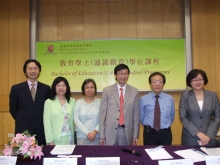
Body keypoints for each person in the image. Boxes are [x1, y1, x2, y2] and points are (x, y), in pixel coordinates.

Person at [9, 59, 51, 145]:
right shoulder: (16, 88)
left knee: (41, 153)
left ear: (39, 71)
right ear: (25, 71)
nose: (33, 71)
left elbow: (48, 108)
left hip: (41, 128)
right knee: (23, 154)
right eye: (30, 68)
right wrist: (22, 119)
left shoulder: (46, 88)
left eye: (35, 68)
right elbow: (13, 109)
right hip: (23, 127)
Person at [99, 64, 140, 146]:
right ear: (115, 75)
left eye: (125, 73)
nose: (123, 76)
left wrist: (135, 135)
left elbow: (136, 116)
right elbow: (102, 114)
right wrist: (102, 135)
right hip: (109, 131)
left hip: (126, 132)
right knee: (110, 156)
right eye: (120, 73)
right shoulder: (107, 91)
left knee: (125, 156)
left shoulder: (134, 91)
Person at [179, 69, 220, 146]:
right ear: (190, 82)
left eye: (200, 79)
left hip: (209, 137)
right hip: (190, 137)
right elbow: (183, 117)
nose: (198, 82)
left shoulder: (213, 95)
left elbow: (217, 117)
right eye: (194, 80)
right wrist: (198, 133)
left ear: (204, 80)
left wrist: (208, 136)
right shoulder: (185, 96)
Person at [140, 72, 175, 145]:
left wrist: (164, 126)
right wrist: (149, 128)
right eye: (154, 81)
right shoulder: (144, 99)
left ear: (163, 84)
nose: (157, 84)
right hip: (149, 133)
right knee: (149, 154)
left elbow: (171, 116)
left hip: (165, 133)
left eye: (160, 81)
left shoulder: (169, 99)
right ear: (150, 84)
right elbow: (141, 117)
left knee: (166, 154)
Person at [43, 76, 75, 145]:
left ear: (67, 87)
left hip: (69, 137)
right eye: (58, 85)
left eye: (63, 85)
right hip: (56, 139)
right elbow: (47, 124)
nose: (61, 88)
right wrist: (50, 141)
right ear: (54, 87)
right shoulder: (49, 102)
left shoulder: (72, 101)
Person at [74, 79, 100, 145]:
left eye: (92, 87)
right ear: (83, 90)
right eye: (87, 87)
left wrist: (95, 132)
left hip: (97, 137)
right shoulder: (78, 102)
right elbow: (76, 119)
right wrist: (87, 133)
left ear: (95, 89)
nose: (90, 89)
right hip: (82, 137)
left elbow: (103, 119)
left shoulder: (100, 102)